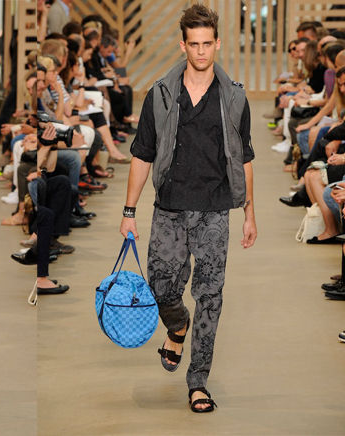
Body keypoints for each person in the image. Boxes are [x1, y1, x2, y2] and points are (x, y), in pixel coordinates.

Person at [119, 4, 257, 413]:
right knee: (161, 287)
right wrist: (129, 211)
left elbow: (245, 158)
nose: (200, 51)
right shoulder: (161, 95)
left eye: (207, 44)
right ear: (182, 45)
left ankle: (198, 382)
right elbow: (142, 154)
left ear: (217, 43)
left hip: (215, 209)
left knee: (210, 296)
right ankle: (178, 325)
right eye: (193, 44)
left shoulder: (234, 98)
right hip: (170, 206)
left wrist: (249, 214)